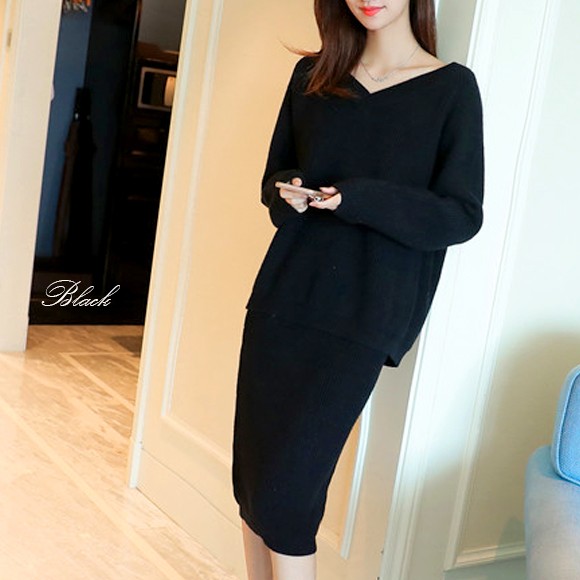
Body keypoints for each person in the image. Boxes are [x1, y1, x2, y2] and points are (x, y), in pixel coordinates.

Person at [231, 0, 484, 578]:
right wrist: (288, 192)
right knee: (252, 486)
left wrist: (357, 198)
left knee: (287, 499)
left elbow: (460, 214)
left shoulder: (451, 89)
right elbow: (275, 179)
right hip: (282, 299)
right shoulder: (312, 76)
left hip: (365, 316)